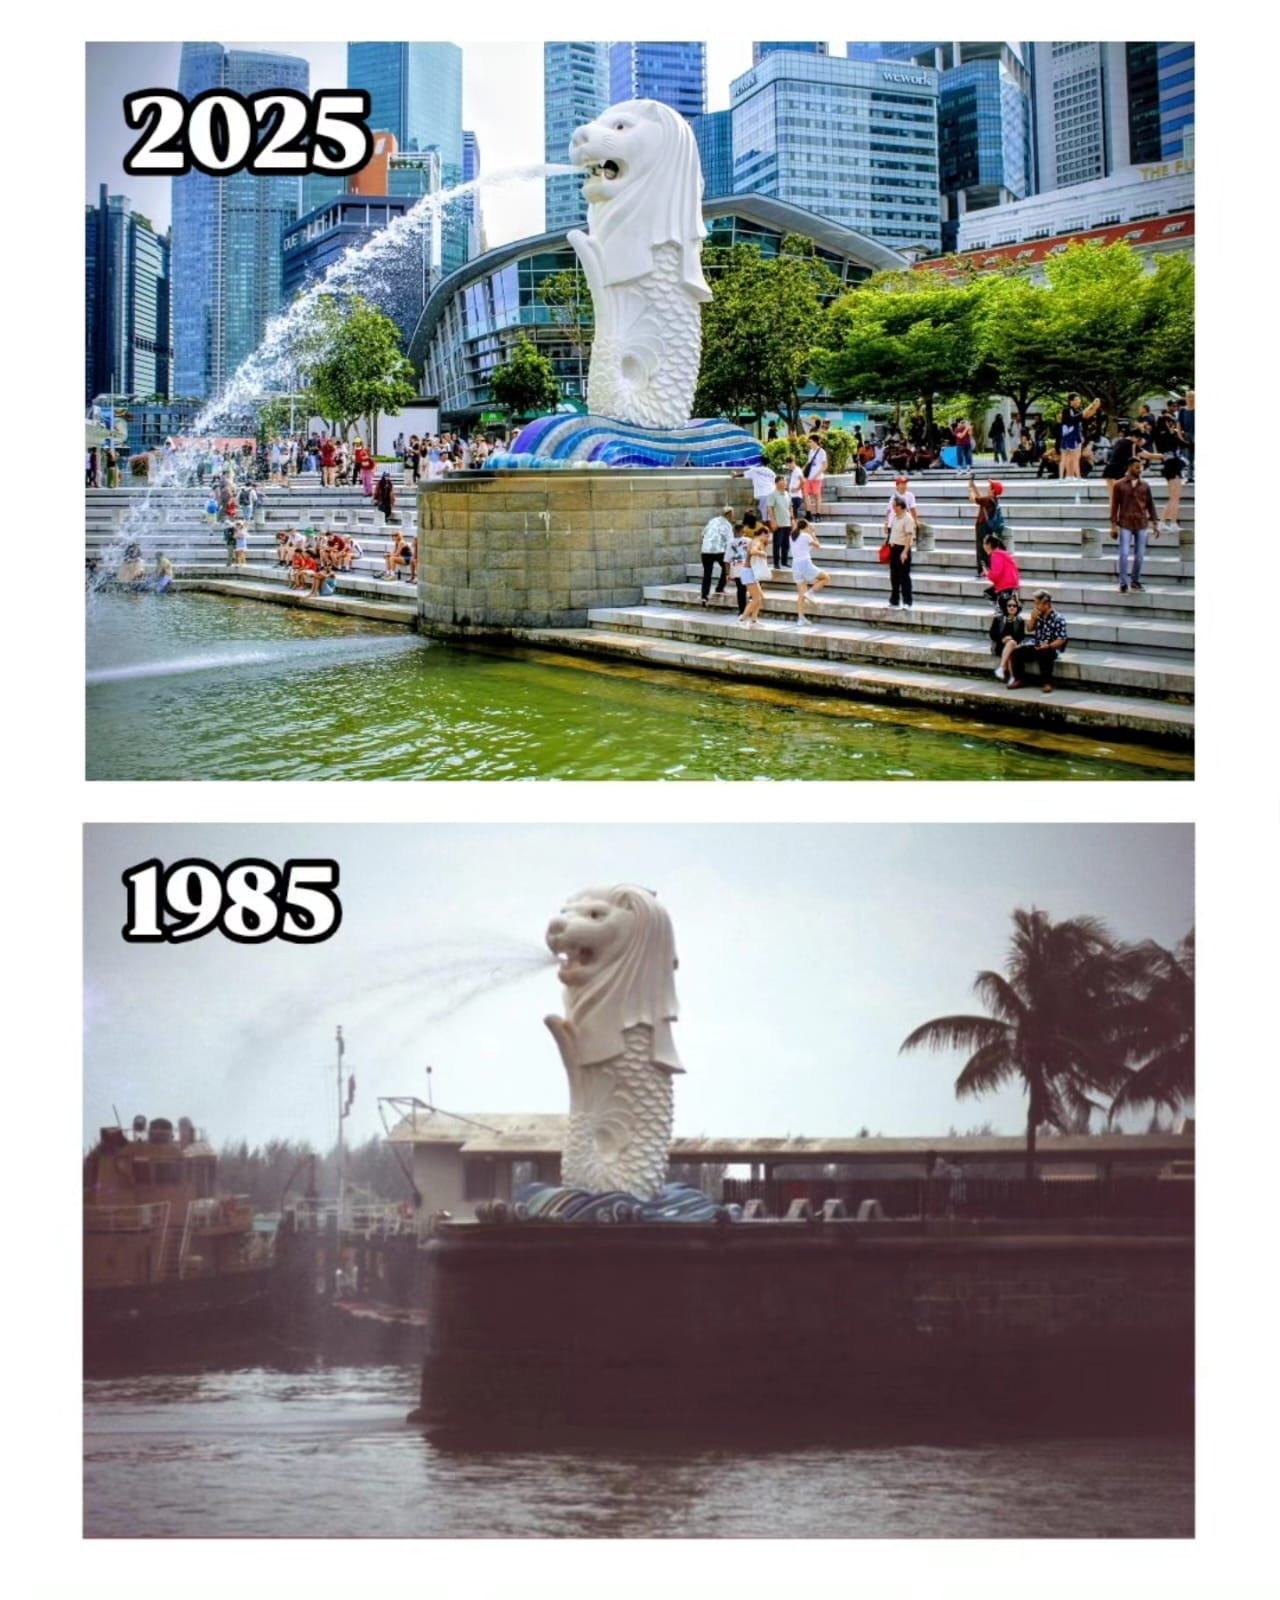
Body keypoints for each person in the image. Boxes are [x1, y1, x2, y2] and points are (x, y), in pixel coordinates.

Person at [1109, 457, 1161, 593]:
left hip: (1141, 522)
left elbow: (1150, 504)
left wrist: (1155, 522)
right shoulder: (1119, 485)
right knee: (1124, 553)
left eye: (1141, 467)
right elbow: (1114, 506)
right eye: (1137, 467)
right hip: (1125, 522)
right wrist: (1113, 525)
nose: (1140, 470)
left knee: (1140, 555)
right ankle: (1123, 582)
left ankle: (1135, 580)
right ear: (1130, 467)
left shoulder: (1145, 485)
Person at [1006, 590, 1068, 692]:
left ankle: (1047, 683)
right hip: (1036, 644)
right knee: (1016, 652)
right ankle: (1019, 679)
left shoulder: (1058, 619)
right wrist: (1033, 619)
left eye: (1037, 604)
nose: (1035, 606)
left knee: (1045, 653)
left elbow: (1061, 639)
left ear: (1047, 604)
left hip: (1050, 647)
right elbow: (1029, 629)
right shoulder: (1037, 615)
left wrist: (1048, 645)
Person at [789, 516, 828, 623]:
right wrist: (813, 533)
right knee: (825, 578)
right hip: (805, 563)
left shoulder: (792, 536)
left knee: (801, 593)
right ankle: (811, 593)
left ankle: (801, 618)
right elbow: (818, 546)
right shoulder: (806, 536)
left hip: (795, 565)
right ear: (805, 527)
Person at [968, 476, 1006, 578]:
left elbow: (973, 499)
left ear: (993, 490)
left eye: (990, 486)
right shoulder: (993, 500)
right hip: (988, 526)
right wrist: (974, 487)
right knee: (987, 548)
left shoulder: (988, 499)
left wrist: (970, 489)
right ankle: (988, 568)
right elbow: (980, 499)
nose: (988, 488)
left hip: (982, 526)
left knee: (981, 548)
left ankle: (982, 570)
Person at [884, 493, 916, 608]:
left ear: (900, 506)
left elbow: (909, 536)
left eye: (895, 506)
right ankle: (894, 600)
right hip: (893, 548)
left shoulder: (907, 518)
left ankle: (907, 601)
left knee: (904, 577)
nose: (893, 508)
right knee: (894, 576)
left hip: (902, 549)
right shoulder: (896, 517)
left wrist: (905, 552)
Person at [1057, 394, 1100, 479]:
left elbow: (1085, 416)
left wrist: (1094, 407)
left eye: (1079, 399)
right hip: (1068, 436)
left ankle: (1071, 475)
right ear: (1071, 401)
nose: (1078, 401)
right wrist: (1091, 405)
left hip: (1076, 436)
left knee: (1075, 457)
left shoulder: (1077, 410)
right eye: (1076, 399)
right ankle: (1067, 476)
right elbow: (1075, 418)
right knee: (1068, 457)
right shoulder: (1066, 410)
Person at [698, 505, 733, 604]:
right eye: (732, 515)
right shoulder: (727, 525)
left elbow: (703, 533)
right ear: (729, 514)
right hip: (719, 550)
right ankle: (720, 587)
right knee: (726, 568)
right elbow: (730, 541)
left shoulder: (712, 520)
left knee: (707, 574)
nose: (733, 517)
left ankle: (704, 596)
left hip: (705, 551)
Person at [990, 593, 1027, 682]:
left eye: (1014, 606)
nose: (1012, 607)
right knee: (1011, 646)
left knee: (1011, 645)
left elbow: (1021, 637)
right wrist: (1003, 639)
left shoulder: (1020, 621)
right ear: (1005, 607)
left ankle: (1002, 668)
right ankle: (1012, 677)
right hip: (999, 646)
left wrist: (1010, 639)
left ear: (1017, 608)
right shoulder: (998, 619)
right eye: (1009, 605)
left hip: (1013, 645)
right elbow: (992, 634)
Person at [983, 534, 1021, 615]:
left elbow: (996, 575)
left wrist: (987, 573)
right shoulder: (1004, 553)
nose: (983, 546)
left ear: (989, 545)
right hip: (1012, 583)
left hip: (1005, 585)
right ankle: (1001, 608)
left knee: (988, 593)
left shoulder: (995, 554)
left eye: (984, 544)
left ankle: (999, 609)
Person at [765, 474, 794, 568]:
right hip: (778, 523)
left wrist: (792, 519)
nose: (785, 483)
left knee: (786, 544)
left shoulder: (787, 494)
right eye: (783, 481)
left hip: (787, 522)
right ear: (777, 483)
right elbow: (770, 508)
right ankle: (776, 563)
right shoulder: (772, 495)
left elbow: (790, 507)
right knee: (777, 544)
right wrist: (773, 521)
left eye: (785, 481)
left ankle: (784, 561)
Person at [725, 520, 752, 617]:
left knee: (741, 590)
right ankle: (750, 608)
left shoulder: (730, 543)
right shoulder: (749, 540)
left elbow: (727, 560)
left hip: (736, 569)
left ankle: (742, 610)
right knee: (750, 588)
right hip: (747, 567)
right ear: (743, 531)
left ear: (734, 532)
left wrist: (727, 573)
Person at [1159, 440, 1186, 534]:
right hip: (1172, 468)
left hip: (1172, 467)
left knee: (1174, 497)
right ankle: (1171, 522)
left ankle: (1164, 522)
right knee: (1175, 496)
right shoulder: (1166, 437)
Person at [802, 434, 827, 516]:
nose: (809, 443)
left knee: (817, 496)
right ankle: (808, 513)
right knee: (805, 495)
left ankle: (818, 514)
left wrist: (816, 476)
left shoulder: (822, 452)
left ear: (815, 442)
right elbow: (808, 463)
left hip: (817, 478)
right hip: (808, 477)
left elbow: (824, 465)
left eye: (810, 441)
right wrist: (802, 471)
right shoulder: (811, 451)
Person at [1177, 390, 1195, 483]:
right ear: (1186, 398)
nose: (1190, 399)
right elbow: (1179, 424)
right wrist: (1180, 436)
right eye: (1188, 397)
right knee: (1189, 457)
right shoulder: (1183, 411)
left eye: (1192, 396)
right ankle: (1190, 476)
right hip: (1187, 435)